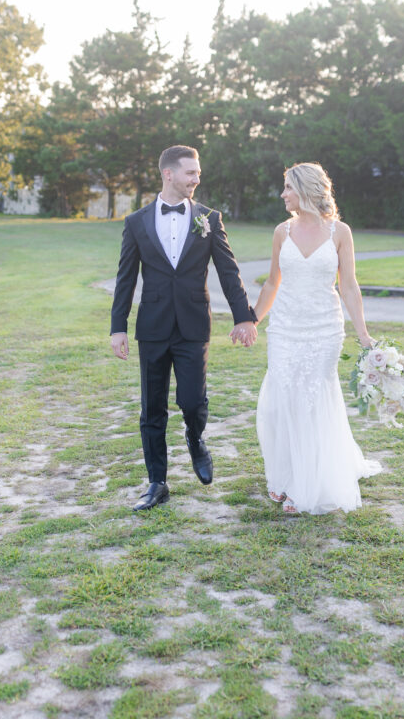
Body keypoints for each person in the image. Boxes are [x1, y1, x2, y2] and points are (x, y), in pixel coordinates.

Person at [110, 145, 258, 512]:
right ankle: (157, 482)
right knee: (152, 408)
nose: (197, 178)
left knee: (193, 401)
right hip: (154, 326)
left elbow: (228, 271)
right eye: (190, 173)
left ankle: (195, 438)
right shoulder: (136, 222)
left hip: (194, 325)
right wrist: (118, 327)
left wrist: (244, 316)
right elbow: (125, 278)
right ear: (169, 174)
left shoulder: (209, 218)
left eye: (198, 173)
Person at [252, 162, 382, 515]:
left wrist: (364, 334)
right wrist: (252, 320)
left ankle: (303, 486)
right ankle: (285, 474)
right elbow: (271, 283)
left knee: (310, 399)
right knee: (282, 401)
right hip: (284, 329)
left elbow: (349, 286)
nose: (282, 195)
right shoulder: (282, 231)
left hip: (324, 329)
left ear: (307, 190)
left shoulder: (340, 232)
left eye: (288, 188)